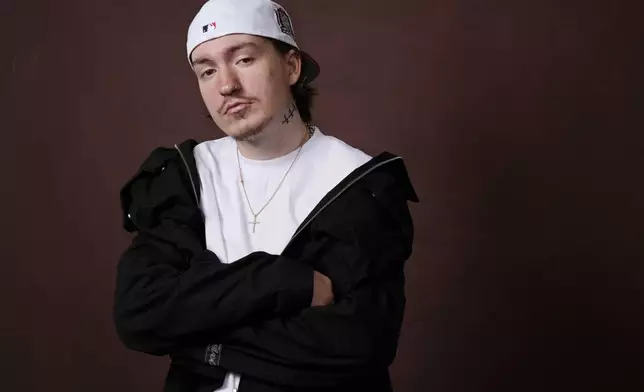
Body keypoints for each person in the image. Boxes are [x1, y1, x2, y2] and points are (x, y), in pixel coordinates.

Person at [113, 0, 418, 391]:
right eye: (207, 70)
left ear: (291, 67)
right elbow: (139, 311)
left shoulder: (357, 184)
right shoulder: (185, 176)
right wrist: (283, 281)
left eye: (243, 60)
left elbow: (356, 345)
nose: (226, 85)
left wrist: (199, 340)